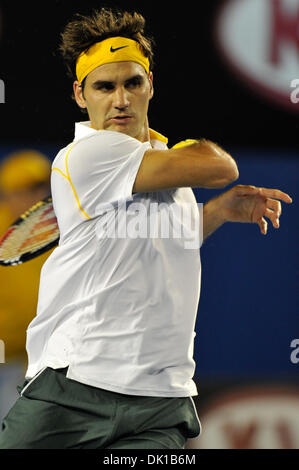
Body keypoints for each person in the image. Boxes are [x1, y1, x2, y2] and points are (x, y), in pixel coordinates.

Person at [0, 8, 292, 449]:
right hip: (75, 385)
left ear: (150, 84)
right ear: (80, 95)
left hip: (159, 398)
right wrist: (194, 151)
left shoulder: (163, 168)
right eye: (105, 87)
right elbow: (220, 166)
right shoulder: (85, 156)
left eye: (132, 83)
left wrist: (214, 212)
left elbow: (170, 240)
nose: (120, 99)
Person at [0, 150, 54, 422]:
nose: (37, 196)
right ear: (7, 193)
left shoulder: (57, 231)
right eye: (26, 190)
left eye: (41, 187)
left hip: (34, 363)